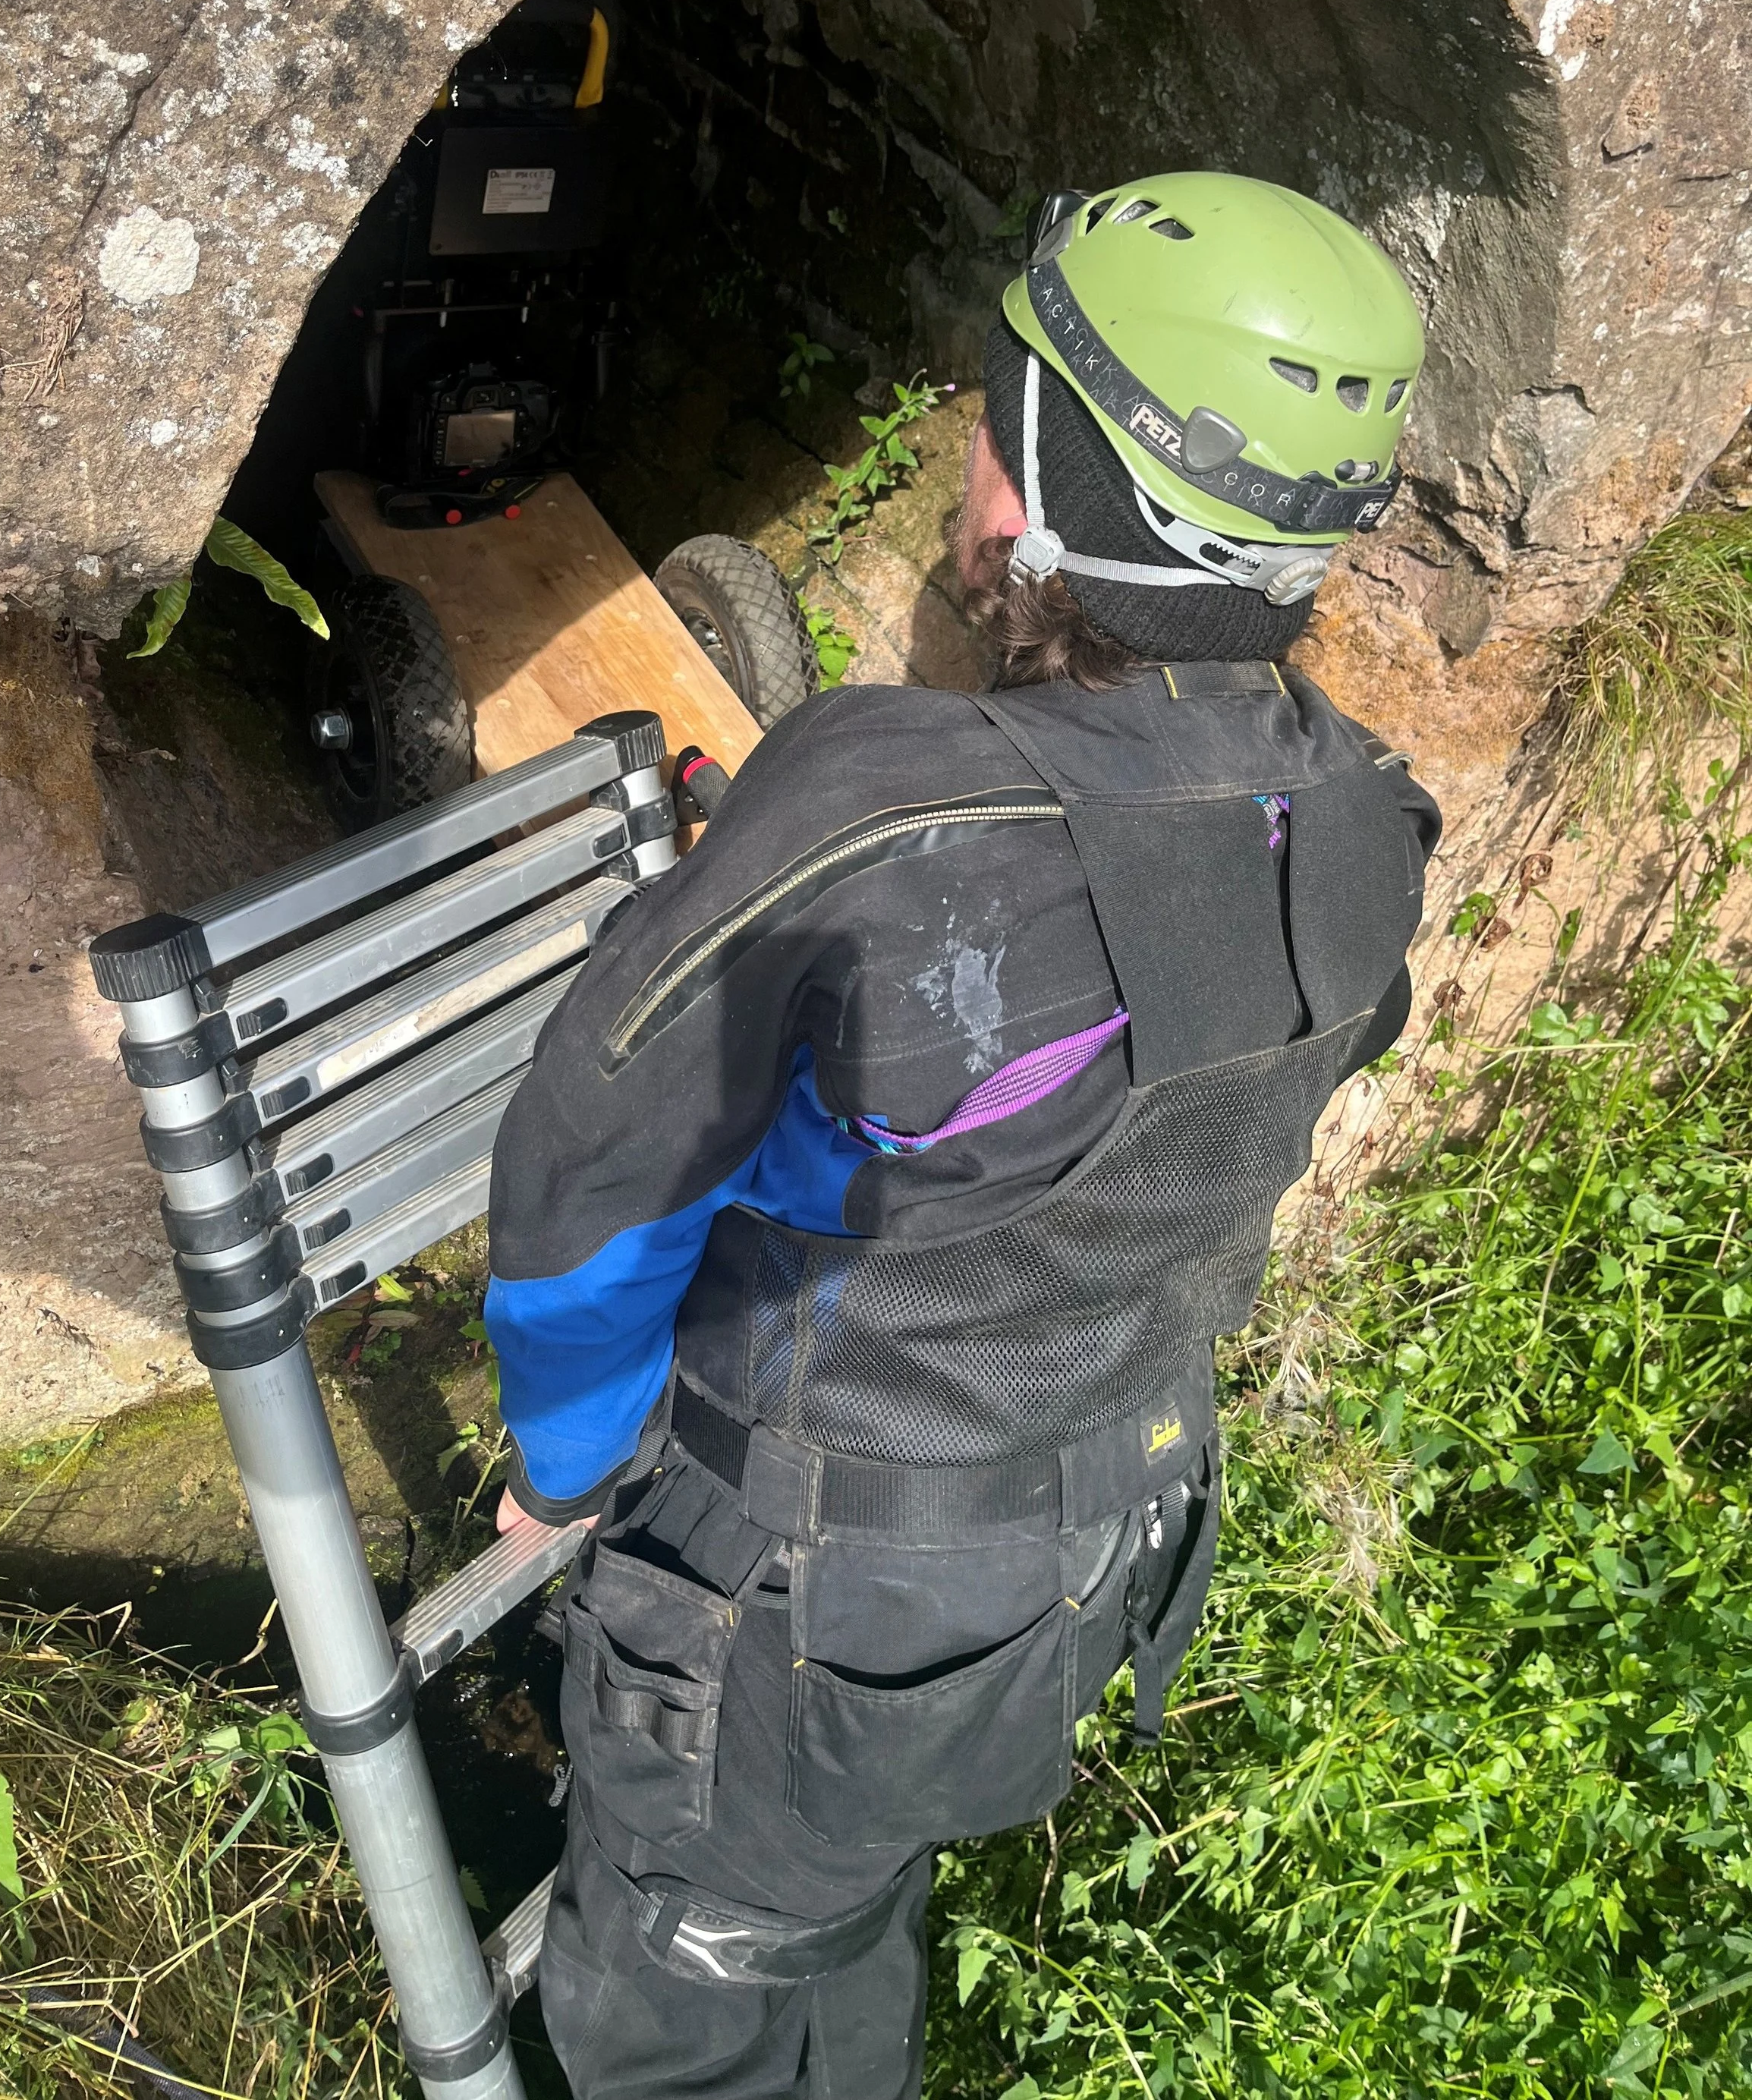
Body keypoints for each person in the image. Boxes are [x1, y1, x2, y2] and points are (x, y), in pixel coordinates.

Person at [483, 171, 1442, 2098]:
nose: (968, 464)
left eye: (999, 416)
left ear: (1060, 475)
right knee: (835, 1916)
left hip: (808, 1586)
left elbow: (588, 1184)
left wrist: (567, 1470)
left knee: (680, 2002)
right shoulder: (1360, 817)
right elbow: (1083, 1121)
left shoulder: (887, 798)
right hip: (1080, 1555)